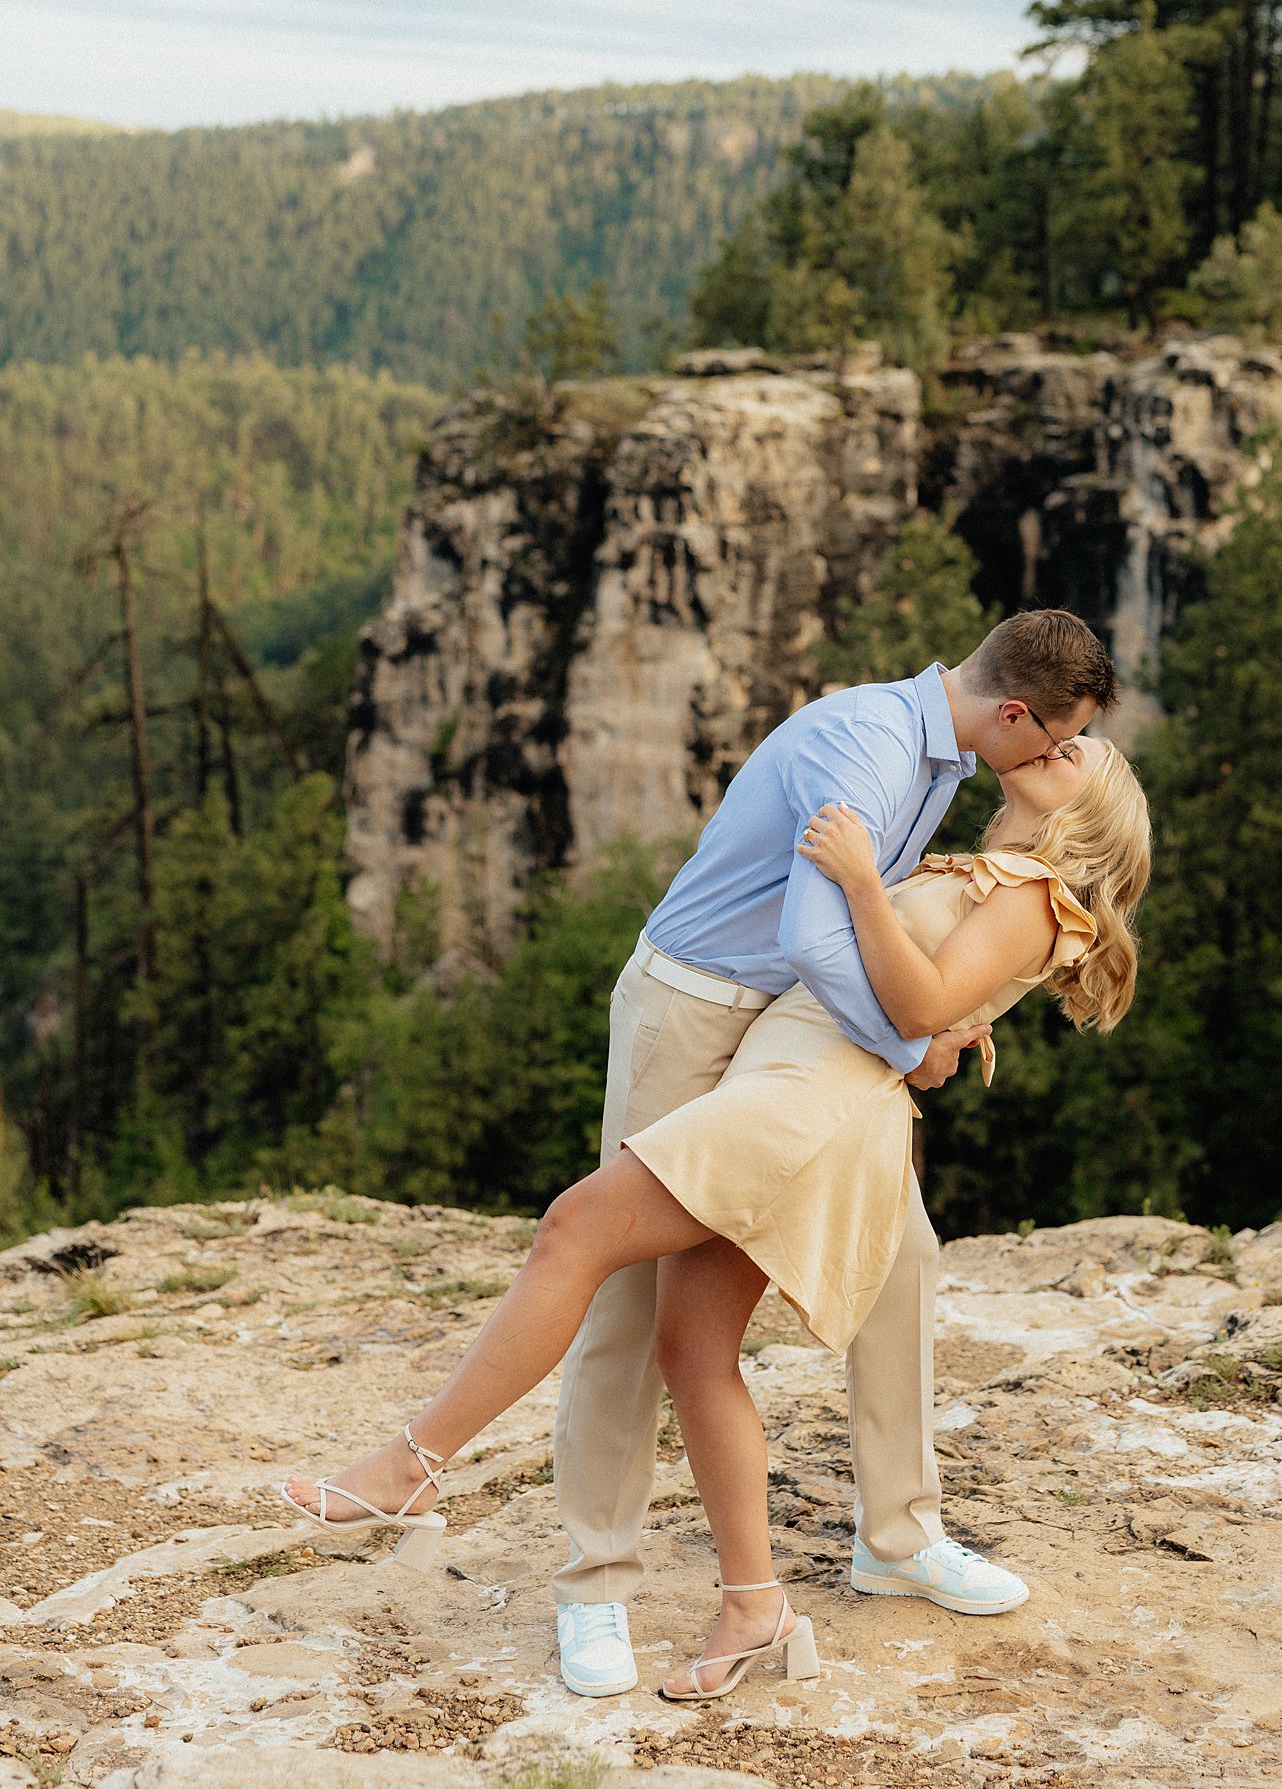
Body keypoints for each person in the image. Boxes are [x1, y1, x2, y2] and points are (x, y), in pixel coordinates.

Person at [282, 611, 1147, 1700]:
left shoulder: (958, 787)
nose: (1049, 755)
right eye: (1057, 737)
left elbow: (910, 952)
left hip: (809, 1047)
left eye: (1072, 755)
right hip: (706, 1007)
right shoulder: (878, 748)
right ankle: (594, 1576)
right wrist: (914, 1040)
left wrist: (918, 1030)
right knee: (633, 1301)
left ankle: (895, 1535)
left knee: (900, 1264)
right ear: (1014, 713)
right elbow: (814, 934)